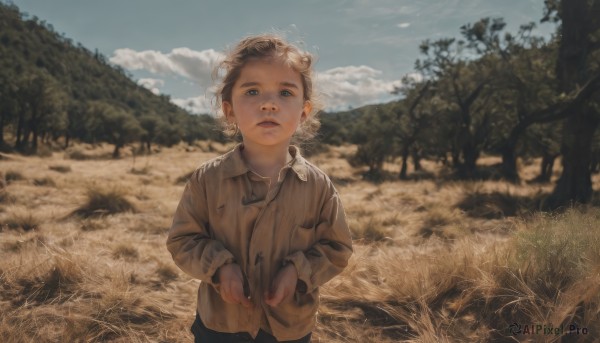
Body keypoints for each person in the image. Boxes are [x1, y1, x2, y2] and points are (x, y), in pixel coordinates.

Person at [166, 33, 353, 343]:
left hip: (289, 327)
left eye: (285, 92)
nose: (269, 104)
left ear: (303, 112)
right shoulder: (207, 180)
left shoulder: (319, 186)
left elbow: (337, 248)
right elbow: (182, 240)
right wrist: (220, 266)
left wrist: (298, 272)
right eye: (252, 91)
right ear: (229, 111)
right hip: (221, 326)